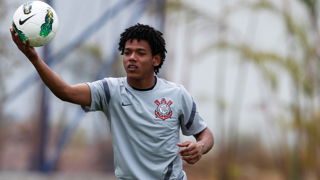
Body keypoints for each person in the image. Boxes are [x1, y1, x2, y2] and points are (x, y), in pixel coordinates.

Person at [10, 23, 214, 180]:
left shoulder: (176, 94)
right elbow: (66, 92)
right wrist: (35, 59)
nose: (131, 58)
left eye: (140, 53)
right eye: (127, 52)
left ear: (156, 59)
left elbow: (204, 133)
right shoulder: (110, 90)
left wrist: (201, 146)